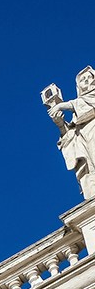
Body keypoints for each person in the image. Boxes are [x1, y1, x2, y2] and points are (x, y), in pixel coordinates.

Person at [46, 67, 95, 201]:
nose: (85, 80)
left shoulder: (87, 100)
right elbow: (70, 137)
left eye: (88, 77)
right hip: (85, 139)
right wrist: (61, 124)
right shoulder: (77, 112)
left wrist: (62, 106)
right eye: (82, 79)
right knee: (89, 169)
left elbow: (86, 103)